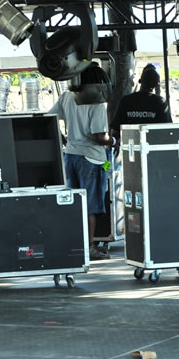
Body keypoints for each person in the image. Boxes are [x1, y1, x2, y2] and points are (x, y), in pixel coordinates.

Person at [48, 64, 113, 260]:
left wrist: (63, 139)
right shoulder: (97, 103)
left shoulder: (68, 96)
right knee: (91, 205)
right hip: (92, 159)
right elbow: (100, 137)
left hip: (71, 156)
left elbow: (49, 117)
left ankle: (76, 244)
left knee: (74, 203)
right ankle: (89, 247)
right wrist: (115, 141)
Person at [110, 64, 172, 147]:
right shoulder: (160, 102)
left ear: (140, 81)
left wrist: (115, 145)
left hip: (129, 149)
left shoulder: (126, 100)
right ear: (157, 84)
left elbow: (115, 130)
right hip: (152, 149)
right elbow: (167, 130)